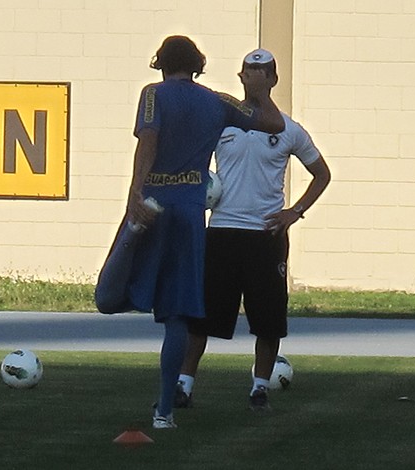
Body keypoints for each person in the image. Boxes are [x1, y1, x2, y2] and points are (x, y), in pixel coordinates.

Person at [95, 36, 285, 429]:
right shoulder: (217, 101)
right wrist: (259, 91)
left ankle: (134, 256)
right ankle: (164, 411)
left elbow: (148, 141)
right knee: (178, 315)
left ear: (160, 63)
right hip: (190, 214)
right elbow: (274, 123)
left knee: (107, 298)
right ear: (198, 64)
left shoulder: (153, 95)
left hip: (154, 206)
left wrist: (136, 192)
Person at [176, 48, 331, 412]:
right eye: (249, 71)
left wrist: (294, 212)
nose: (255, 77)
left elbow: (321, 174)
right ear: (241, 77)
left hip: (266, 235)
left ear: (274, 79)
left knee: (268, 318)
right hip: (222, 231)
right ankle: (183, 385)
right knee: (202, 316)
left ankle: (260, 387)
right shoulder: (221, 124)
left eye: (262, 72)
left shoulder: (289, 130)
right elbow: (193, 161)